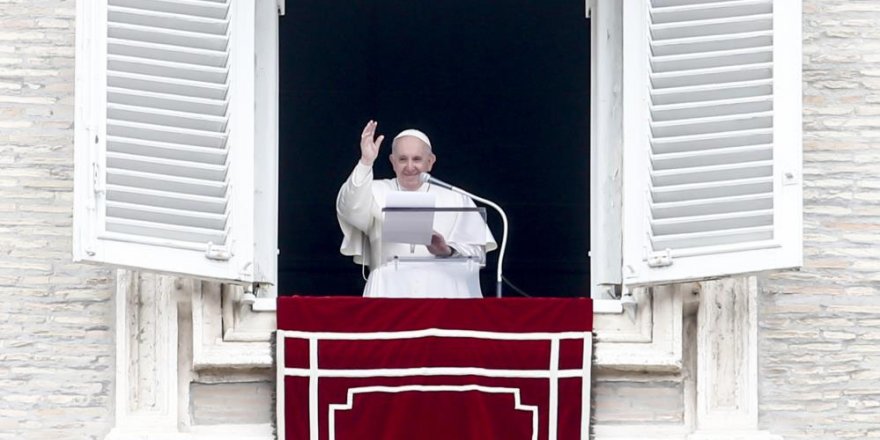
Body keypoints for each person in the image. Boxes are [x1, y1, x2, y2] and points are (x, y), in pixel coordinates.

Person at [336, 120, 497, 298]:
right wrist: (366, 162)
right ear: (392, 161)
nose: (410, 167)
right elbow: (349, 208)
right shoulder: (375, 191)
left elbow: (477, 255)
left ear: (430, 161)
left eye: (417, 159)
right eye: (403, 159)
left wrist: (447, 250)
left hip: (443, 293)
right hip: (388, 290)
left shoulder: (457, 197)